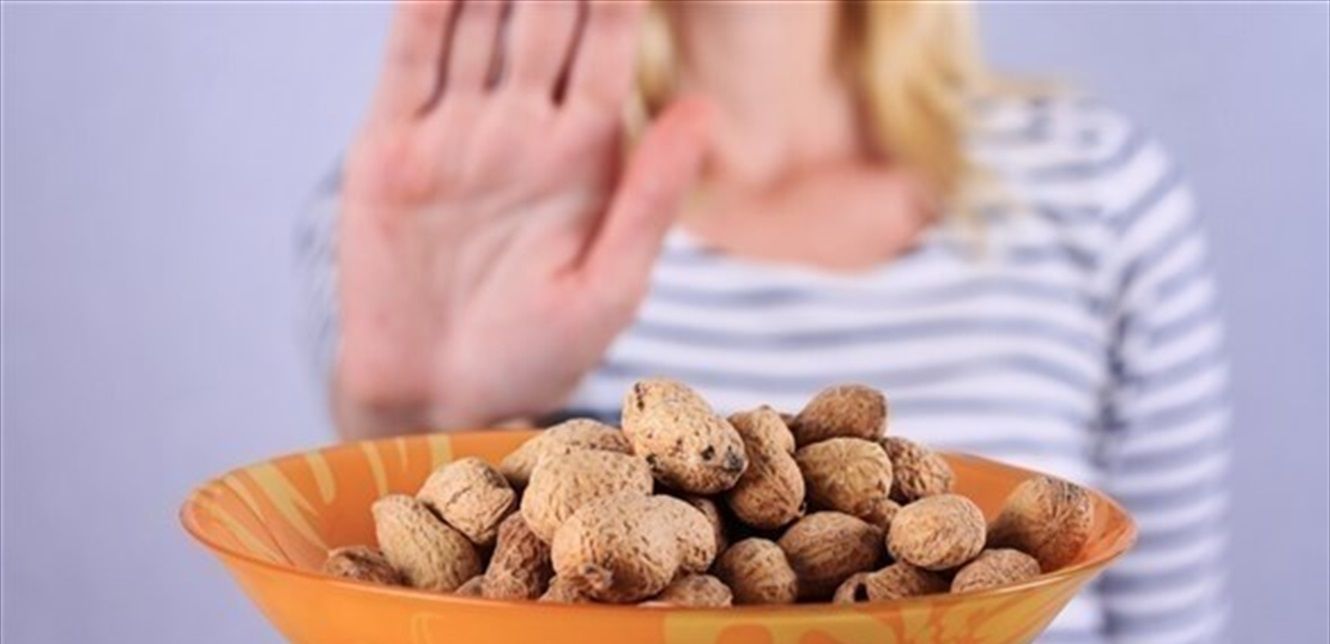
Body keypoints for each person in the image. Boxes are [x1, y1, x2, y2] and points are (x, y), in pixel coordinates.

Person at [296, 2, 1230, 641]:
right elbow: (420, 574)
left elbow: (1171, 625)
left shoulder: (1098, 190)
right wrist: (409, 418)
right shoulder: (456, 196)